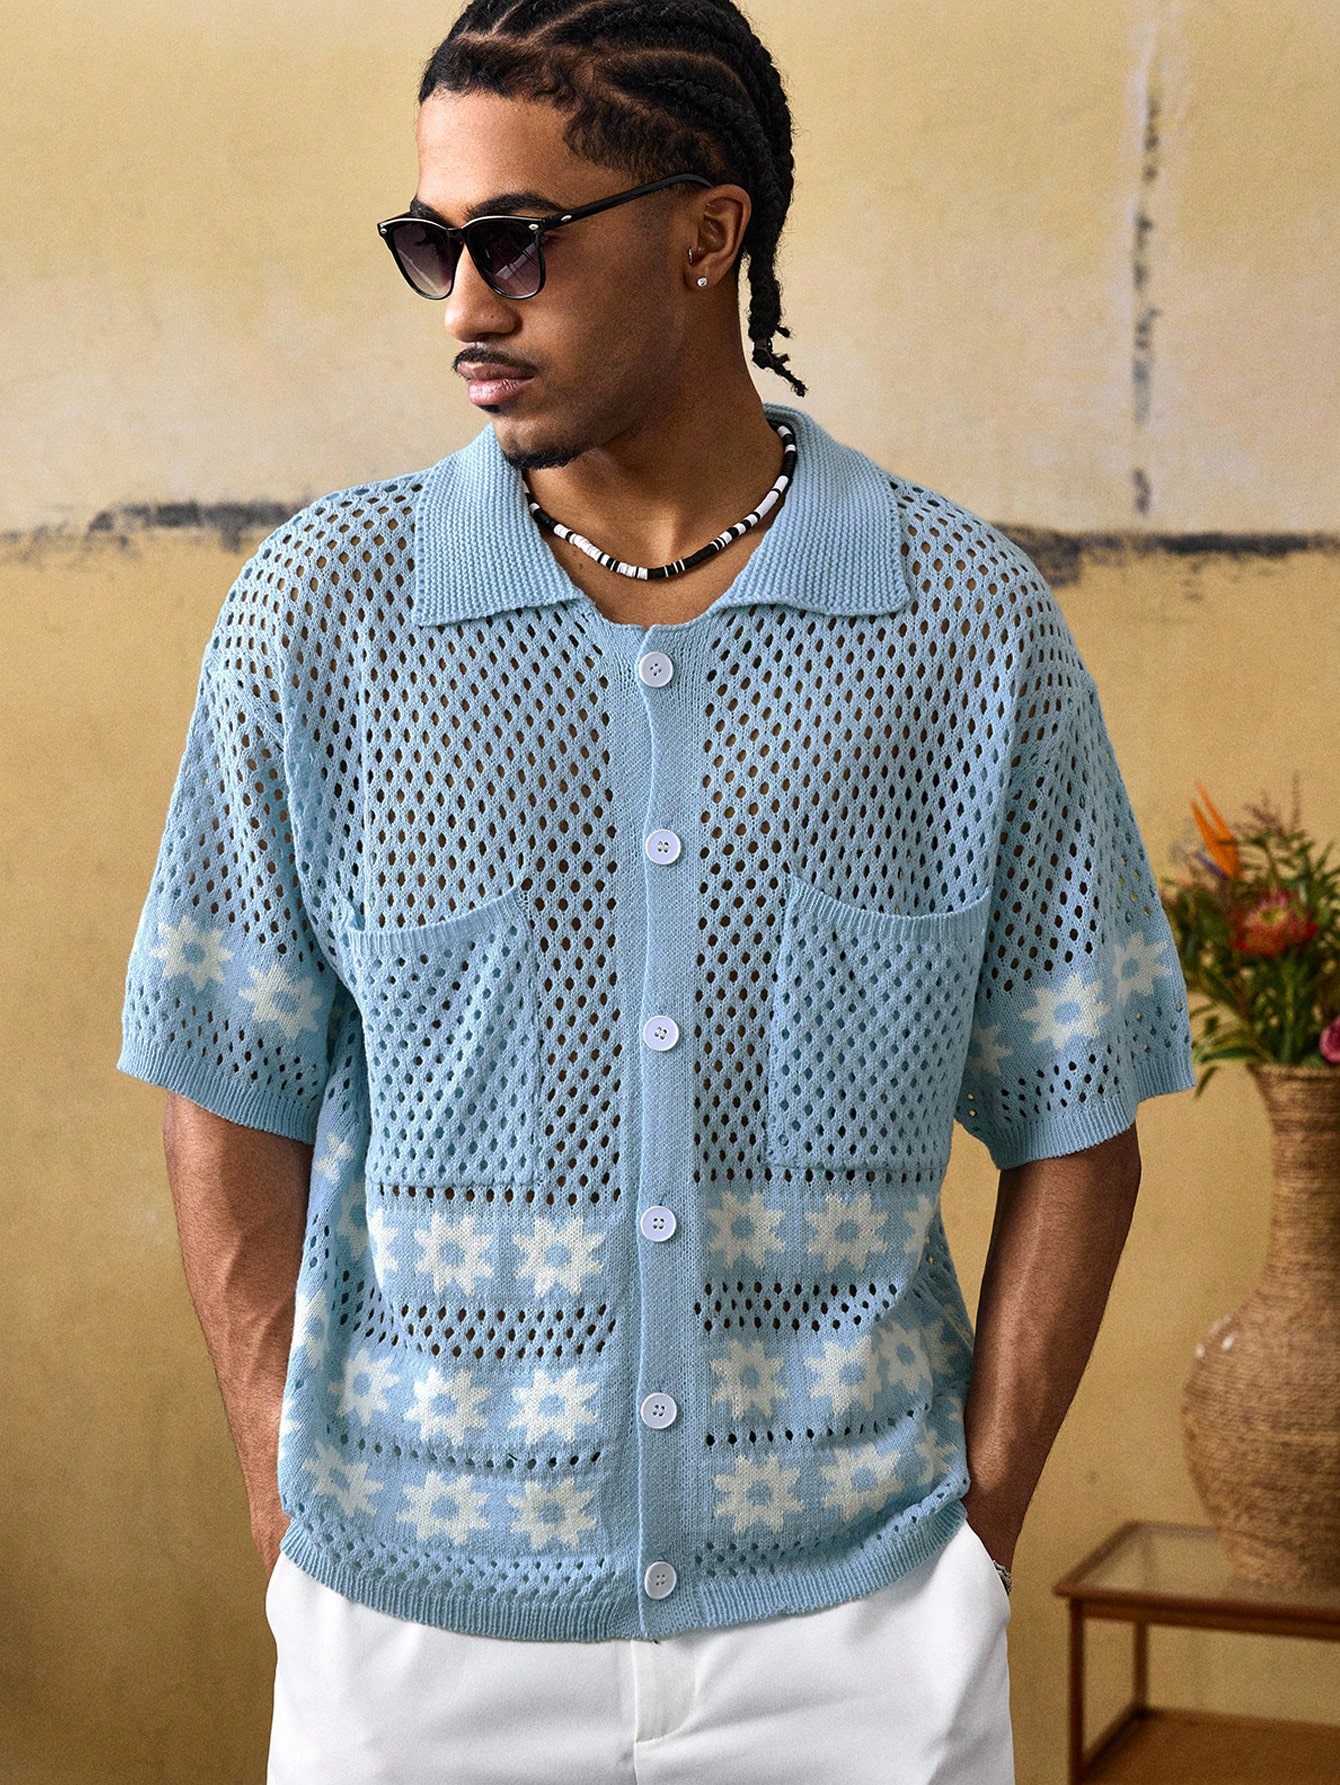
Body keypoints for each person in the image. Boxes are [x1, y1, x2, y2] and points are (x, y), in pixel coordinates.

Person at [116, 2, 1198, 1780]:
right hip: (415, 1631)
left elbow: (1078, 1113)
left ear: (709, 233)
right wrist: (287, 1518)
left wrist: (976, 1537)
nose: (465, 307)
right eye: (432, 247)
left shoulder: (963, 628)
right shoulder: (324, 616)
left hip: (858, 1632)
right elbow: (228, 1088)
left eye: (517, 241)